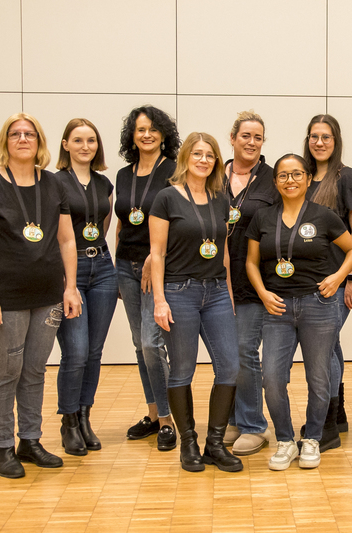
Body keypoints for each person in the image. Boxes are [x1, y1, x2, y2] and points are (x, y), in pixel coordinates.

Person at [0, 113, 82, 478]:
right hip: (5, 299)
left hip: (47, 296)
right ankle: (2, 447)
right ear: (5, 141)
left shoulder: (54, 184)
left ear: (40, 142)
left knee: (34, 371)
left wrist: (70, 286)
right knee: (6, 371)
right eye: (15, 133)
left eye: (29, 133)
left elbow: (67, 239)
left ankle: (30, 441)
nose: (22, 138)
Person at [246, 154, 352, 471]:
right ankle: (285, 441)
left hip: (318, 306)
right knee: (271, 378)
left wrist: (338, 278)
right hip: (278, 307)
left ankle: (311, 439)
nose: (290, 180)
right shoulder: (263, 217)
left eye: (297, 174)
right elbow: (251, 262)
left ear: (308, 180)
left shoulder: (324, 216)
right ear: (275, 182)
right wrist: (263, 293)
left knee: (319, 379)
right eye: (283, 175)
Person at [149, 132, 242, 473]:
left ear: (216, 161)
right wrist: (159, 300)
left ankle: (214, 444)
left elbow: (224, 252)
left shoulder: (220, 199)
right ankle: (188, 443)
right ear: (186, 157)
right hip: (179, 291)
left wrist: (228, 294)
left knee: (230, 366)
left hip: (216, 292)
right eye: (198, 153)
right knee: (182, 370)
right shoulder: (166, 198)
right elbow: (157, 253)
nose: (204, 160)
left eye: (210, 155)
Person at [300, 114, 352, 448]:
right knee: (330, 346)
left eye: (326, 137)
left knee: (323, 349)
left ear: (336, 141)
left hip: (337, 279)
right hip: (309, 281)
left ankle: (326, 423)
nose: (319, 143)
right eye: (314, 136)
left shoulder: (348, 179)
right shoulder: (303, 177)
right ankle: (336, 413)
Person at [114, 105, 180, 450]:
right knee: (140, 344)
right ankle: (154, 415)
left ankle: (169, 419)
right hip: (125, 266)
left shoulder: (174, 171)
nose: (147, 135)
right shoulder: (123, 175)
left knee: (153, 343)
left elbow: (180, 220)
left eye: (153, 129)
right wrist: (118, 264)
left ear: (164, 134)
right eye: (140, 129)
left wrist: (156, 262)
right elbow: (123, 222)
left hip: (156, 265)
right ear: (132, 135)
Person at [54, 118, 119, 456]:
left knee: (94, 351)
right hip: (71, 271)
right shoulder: (54, 183)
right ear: (65, 145)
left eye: (91, 140)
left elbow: (103, 228)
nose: (85, 146)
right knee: (76, 351)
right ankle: (68, 420)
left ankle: (84, 416)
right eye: (77, 140)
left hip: (103, 268)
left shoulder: (104, 183)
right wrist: (67, 279)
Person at [222, 111, 278, 456]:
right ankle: (234, 418)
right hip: (215, 279)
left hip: (255, 281)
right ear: (232, 138)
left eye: (258, 137)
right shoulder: (214, 175)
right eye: (245, 135)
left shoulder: (272, 180)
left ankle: (254, 425)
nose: (252, 142)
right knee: (227, 354)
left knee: (245, 351)